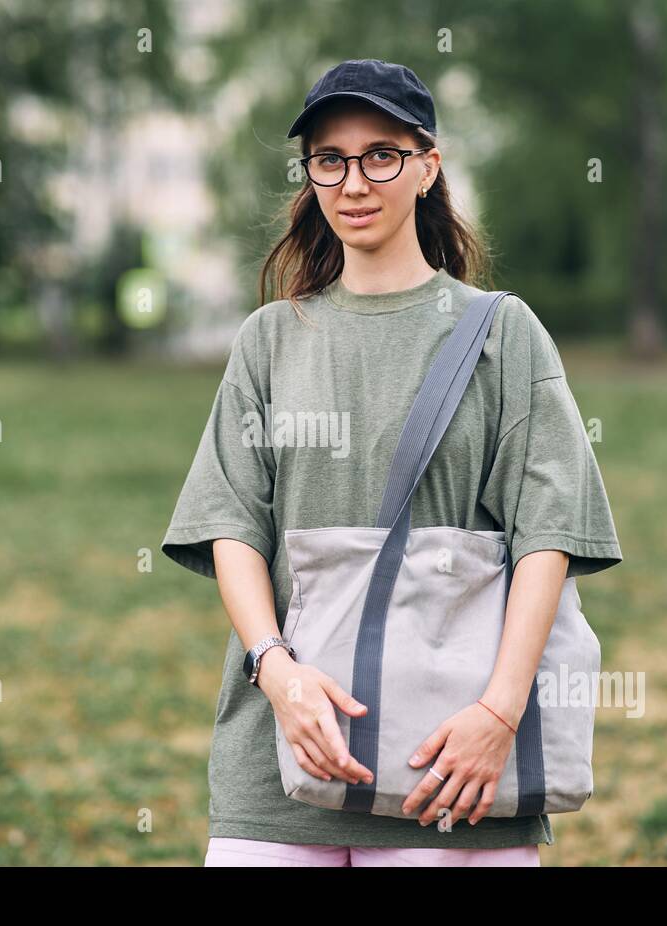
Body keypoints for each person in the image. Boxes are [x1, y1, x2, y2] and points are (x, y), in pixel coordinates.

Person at [161, 59, 622, 866]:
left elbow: (548, 534)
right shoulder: (270, 340)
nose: (353, 182)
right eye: (329, 160)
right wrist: (278, 676)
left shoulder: (502, 334)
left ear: (427, 165)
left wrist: (500, 714)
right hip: (280, 753)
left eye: (381, 154)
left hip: (451, 763)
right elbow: (233, 524)